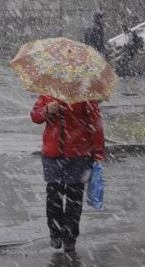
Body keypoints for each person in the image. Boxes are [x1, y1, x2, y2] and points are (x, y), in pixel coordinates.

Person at [30, 96, 106, 252]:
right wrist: (47, 111)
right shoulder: (48, 93)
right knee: (53, 196)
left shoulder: (85, 95)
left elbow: (96, 123)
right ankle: (55, 232)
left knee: (74, 198)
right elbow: (35, 116)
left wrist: (98, 152)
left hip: (79, 155)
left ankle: (70, 236)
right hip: (52, 154)